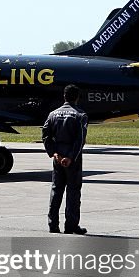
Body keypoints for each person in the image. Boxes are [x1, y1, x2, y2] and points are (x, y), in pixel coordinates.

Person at [42, 84, 88, 234]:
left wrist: (53, 153)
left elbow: (46, 135)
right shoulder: (80, 115)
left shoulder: (52, 114)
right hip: (72, 159)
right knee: (73, 192)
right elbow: (80, 140)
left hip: (57, 157)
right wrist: (70, 157)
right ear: (77, 98)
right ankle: (71, 226)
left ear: (64, 97)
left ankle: (53, 225)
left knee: (56, 191)